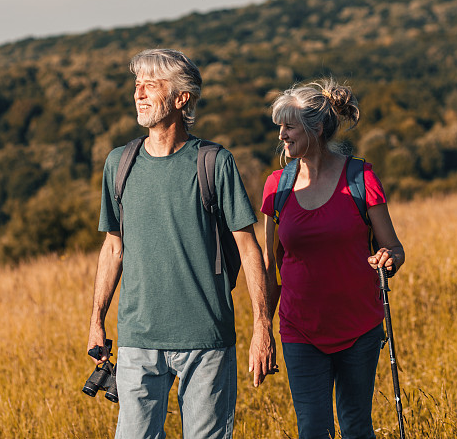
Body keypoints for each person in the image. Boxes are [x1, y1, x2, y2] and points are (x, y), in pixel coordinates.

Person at [87, 48, 277, 438]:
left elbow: (248, 247)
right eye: (136, 84)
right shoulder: (119, 164)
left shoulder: (214, 162)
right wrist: (96, 322)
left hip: (207, 339)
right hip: (137, 340)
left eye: (150, 85)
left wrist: (262, 327)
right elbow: (112, 248)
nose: (138, 94)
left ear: (181, 98)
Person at [260, 78, 405, 439]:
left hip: (359, 328)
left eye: (289, 126)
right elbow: (267, 267)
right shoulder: (276, 187)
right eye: (280, 126)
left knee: (357, 427)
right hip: (300, 329)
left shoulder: (360, 177)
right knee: (313, 430)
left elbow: (394, 248)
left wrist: (388, 257)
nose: (282, 135)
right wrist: (261, 329)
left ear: (317, 127)